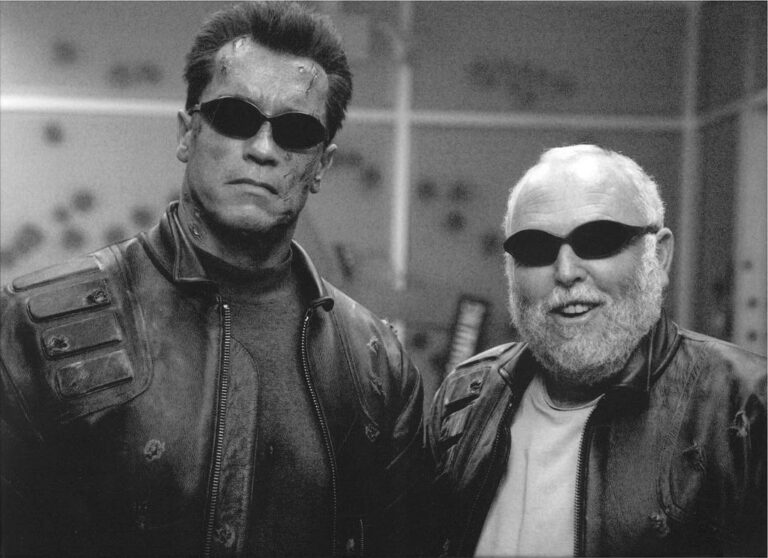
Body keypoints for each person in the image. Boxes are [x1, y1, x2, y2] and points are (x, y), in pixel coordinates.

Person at [1, 3, 426, 556]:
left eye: (296, 130)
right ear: (187, 133)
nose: (263, 149)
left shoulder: (375, 365)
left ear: (321, 165)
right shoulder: (40, 325)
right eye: (234, 117)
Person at [426, 144, 766, 557]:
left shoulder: (746, 405)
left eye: (598, 241)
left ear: (659, 257)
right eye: (535, 248)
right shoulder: (466, 398)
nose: (566, 272)